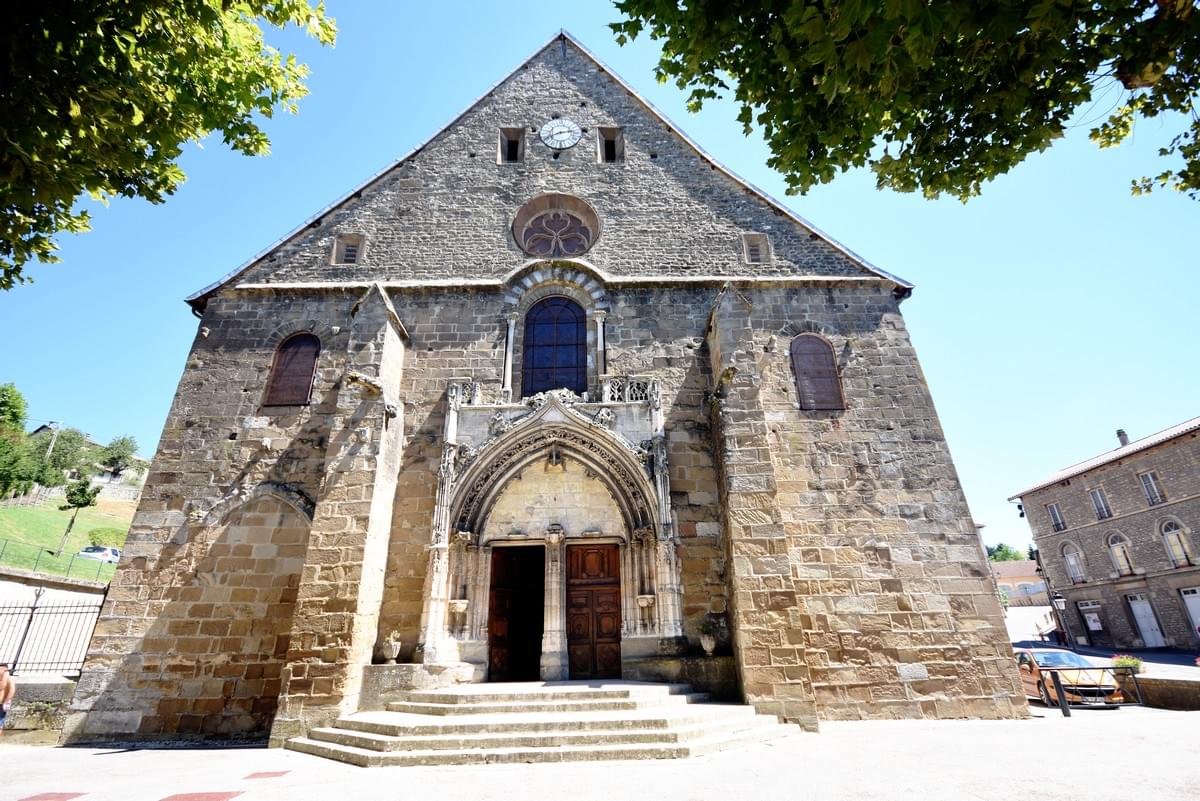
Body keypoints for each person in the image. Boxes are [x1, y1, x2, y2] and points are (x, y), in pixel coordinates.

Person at [0, 662, 14, 735]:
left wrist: (6, 701)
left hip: (2, 703)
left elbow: (12, 690)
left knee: (0, 722)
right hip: (2, 702)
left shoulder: (9, 678)